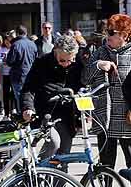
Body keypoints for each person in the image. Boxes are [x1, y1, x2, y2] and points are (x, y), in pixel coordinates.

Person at [20, 34, 94, 166]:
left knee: (64, 154)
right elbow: (28, 88)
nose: (66, 64)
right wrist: (28, 108)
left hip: (67, 114)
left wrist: (86, 112)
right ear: (55, 51)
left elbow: (83, 89)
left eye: (69, 61)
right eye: (62, 61)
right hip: (46, 113)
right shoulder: (42, 63)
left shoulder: (78, 65)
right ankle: (37, 172)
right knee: (54, 142)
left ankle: (59, 186)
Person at [90, 14, 131, 182]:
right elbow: (84, 77)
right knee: (105, 168)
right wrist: (98, 65)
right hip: (105, 117)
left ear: (124, 34)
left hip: (128, 118)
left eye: (111, 32)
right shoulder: (101, 52)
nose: (107, 36)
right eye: (107, 32)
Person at [5, 29, 38, 118]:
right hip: (31, 75)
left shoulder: (16, 44)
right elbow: (36, 59)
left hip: (18, 75)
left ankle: (23, 120)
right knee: (30, 98)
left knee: (20, 99)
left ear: (17, 33)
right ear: (26, 33)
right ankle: (30, 119)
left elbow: (10, 61)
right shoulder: (32, 44)